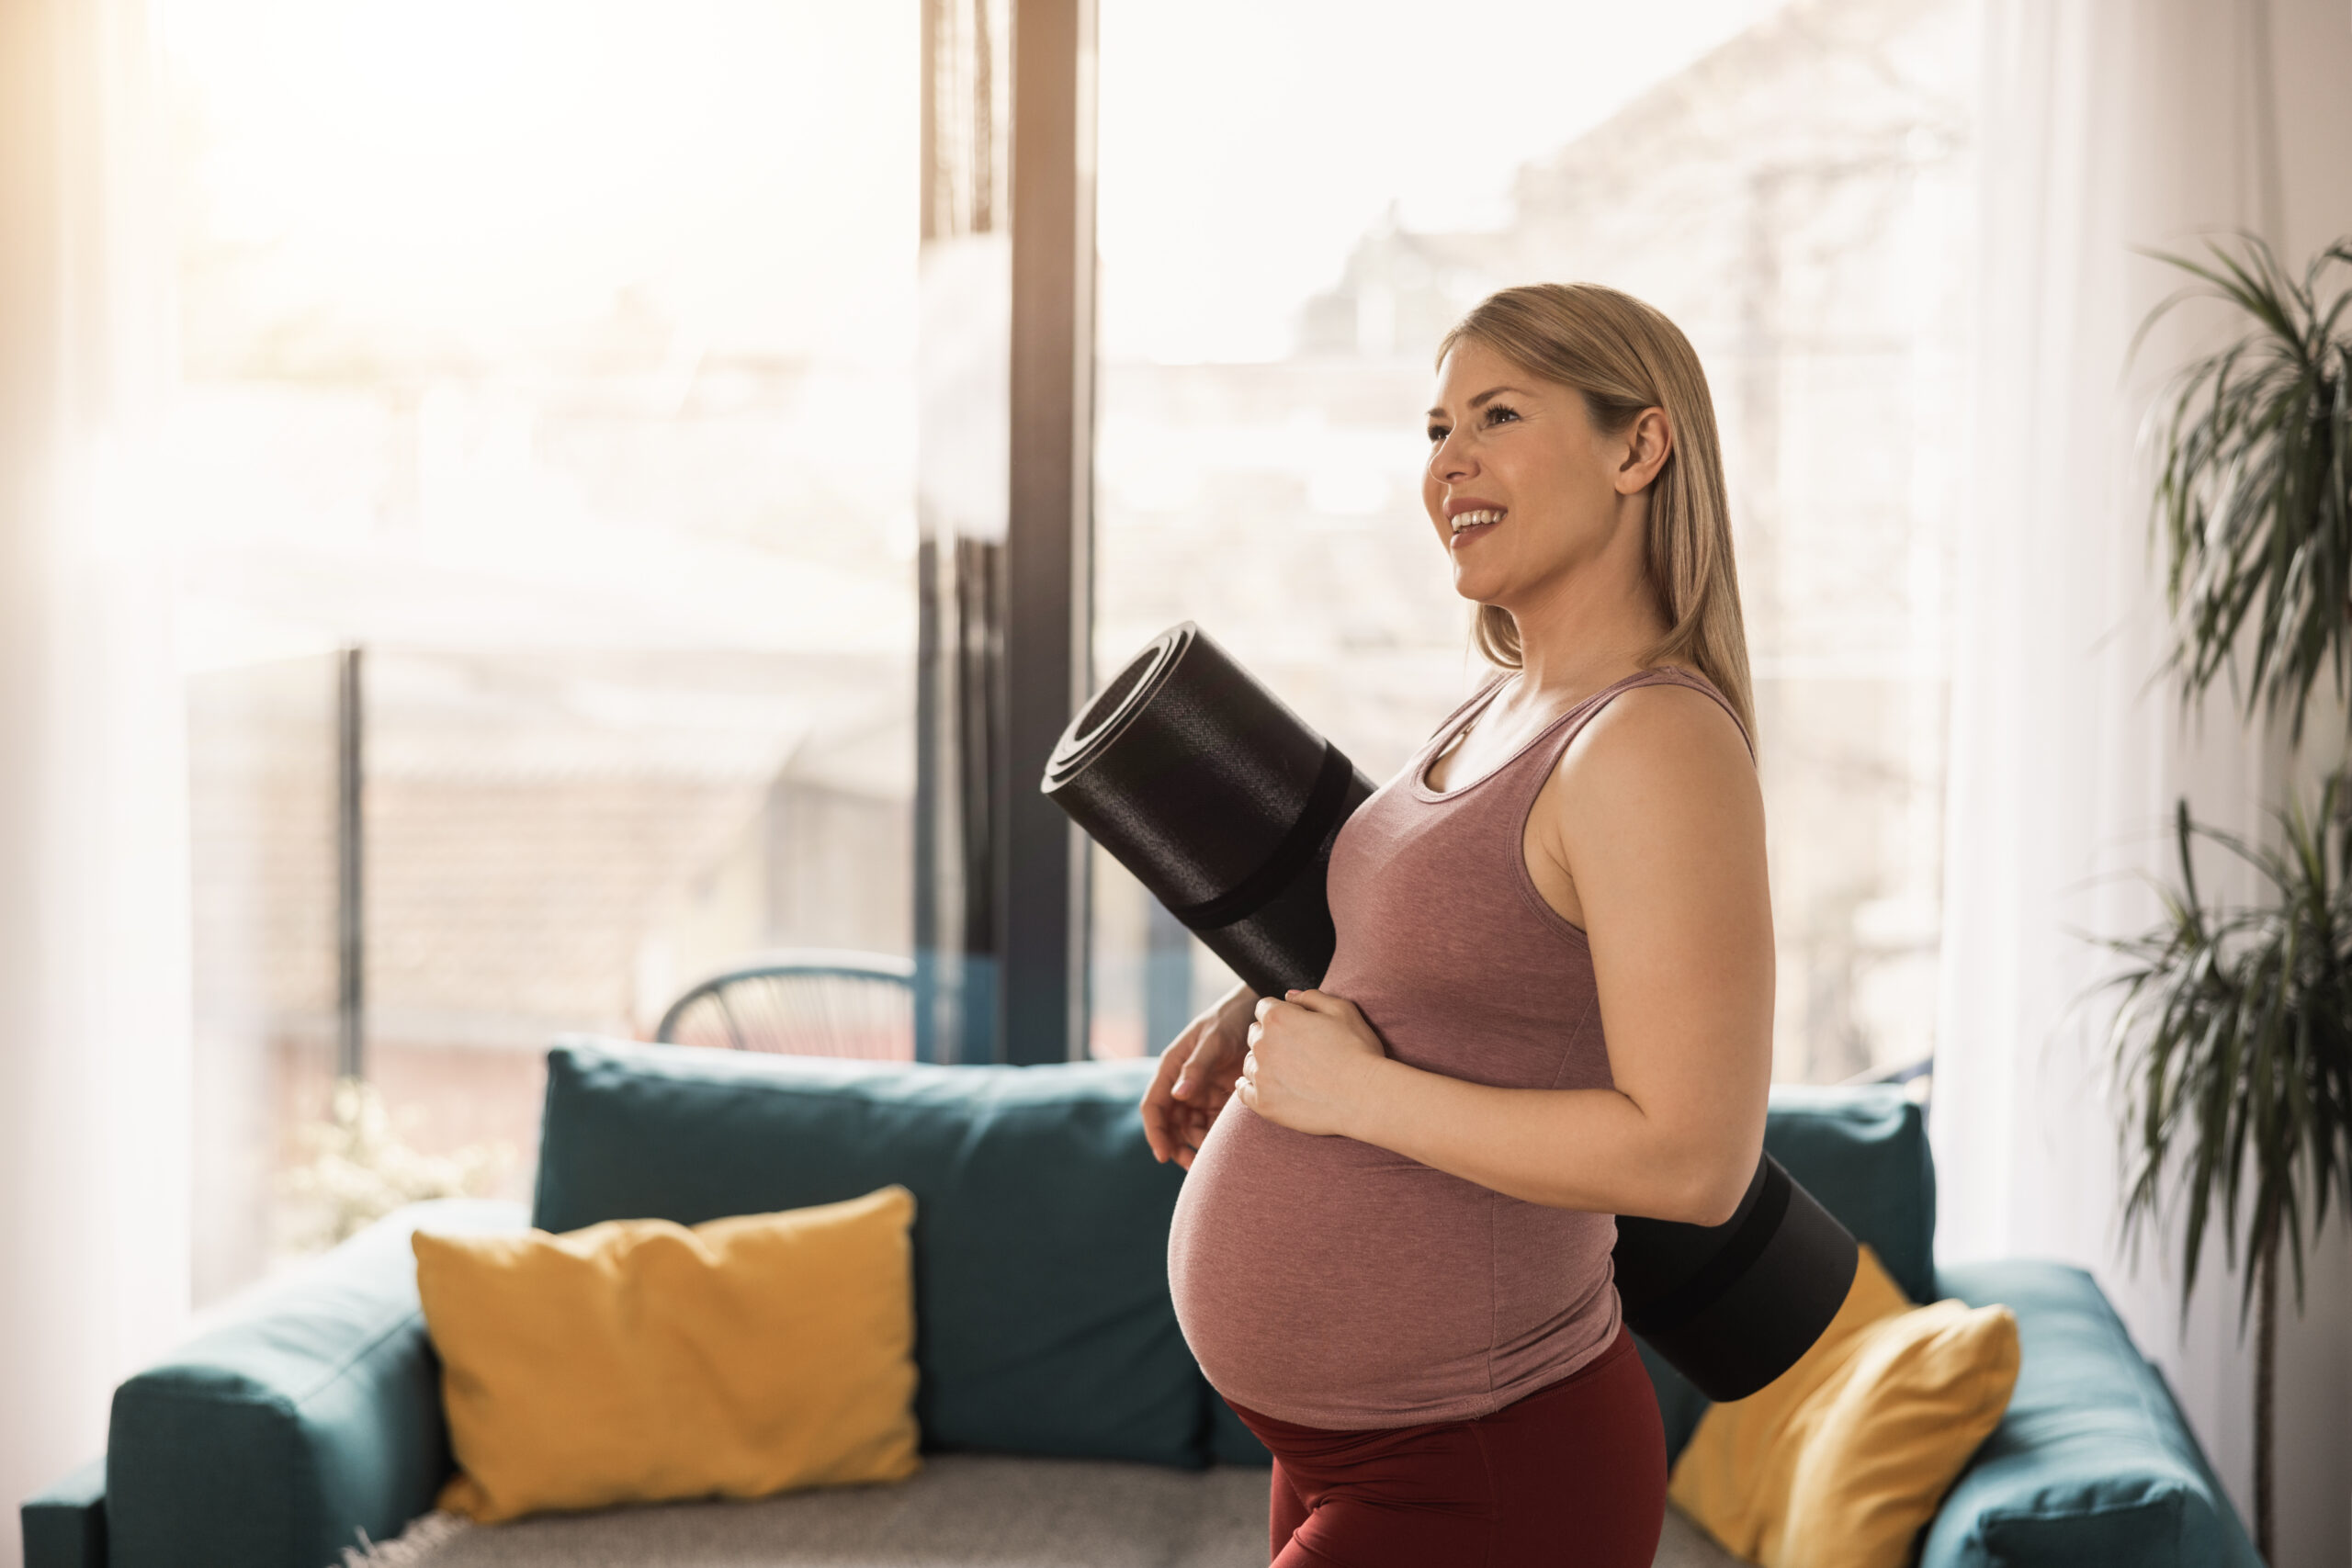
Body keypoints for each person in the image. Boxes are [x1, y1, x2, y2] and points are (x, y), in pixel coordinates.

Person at [1142, 282, 1774, 1567]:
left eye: (1497, 416)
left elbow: (1693, 1159)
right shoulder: (1499, 705)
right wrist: (1266, 1008)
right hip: (1347, 1445)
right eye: (1436, 430)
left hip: (1482, 1465)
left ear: (1638, 449)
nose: (1450, 465)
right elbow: (1475, 969)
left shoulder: (1653, 743)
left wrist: (1356, 1099)